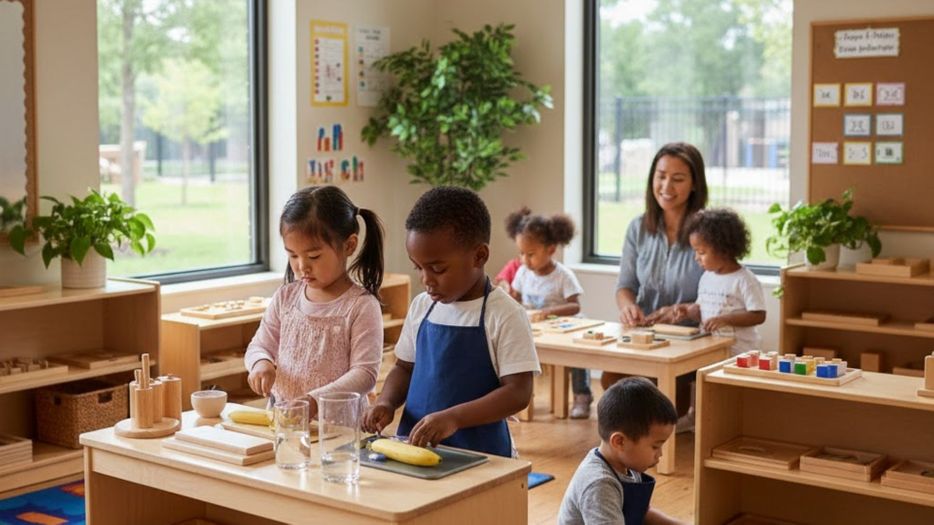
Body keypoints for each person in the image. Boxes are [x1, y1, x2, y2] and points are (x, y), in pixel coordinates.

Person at [362, 186, 540, 457]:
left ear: (479, 256)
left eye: (438, 269)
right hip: (416, 449)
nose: (426, 279)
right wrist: (386, 402)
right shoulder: (422, 306)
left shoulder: (504, 313)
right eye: (418, 267)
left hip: (483, 456)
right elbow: (404, 368)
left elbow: (518, 393)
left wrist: (453, 418)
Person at [244, 186, 385, 418]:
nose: (301, 266)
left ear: (349, 245)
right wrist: (260, 363)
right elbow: (259, 345)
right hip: (287, 424)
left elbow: (365, 374)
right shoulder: (285, 298)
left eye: (313, 256)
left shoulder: (361, 306)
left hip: (340, 430)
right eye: (292, 255)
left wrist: (315, 401)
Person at [603, 142, 709, 391]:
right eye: (661, 177)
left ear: (694, 184)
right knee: (611, 381)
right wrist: (628, 307)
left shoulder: (708, 231)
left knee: (663, 400)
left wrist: (685, 310)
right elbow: (625, 286)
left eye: (678, 179)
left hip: (690, 342)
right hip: (645, 338)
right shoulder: (638, 227)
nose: (666, 187)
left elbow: (724, 297)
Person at [667, 208, 766, 433]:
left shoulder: (744, 280)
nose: (696, 258)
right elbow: (703, 308)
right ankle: (694, 417)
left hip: (739, 350)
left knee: (727, 391)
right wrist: (688, 310)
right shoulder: (707, 278)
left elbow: (759, 314)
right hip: (710, 346)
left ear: (723, 249)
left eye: (701, 252)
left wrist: (725, 319)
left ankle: (728, 425)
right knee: (696, 378)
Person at [558, 377, 685, 525]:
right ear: (620, 442)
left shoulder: (626, 463)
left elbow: (641, 512)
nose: (660, 454)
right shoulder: (599, 484)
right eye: (655, 446)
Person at [505, 207, 591, 418]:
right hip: (534, 330)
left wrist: (547, 311)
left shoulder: (562, 275)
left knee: (578, 354)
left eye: (531, 254)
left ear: (551, 249)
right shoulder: (524, 272)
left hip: (563, 330)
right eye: (521, 253)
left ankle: (582, 395)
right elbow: (515, 297)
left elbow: (575, 306)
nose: (525, 260)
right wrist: (507, 295)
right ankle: (515, 396)